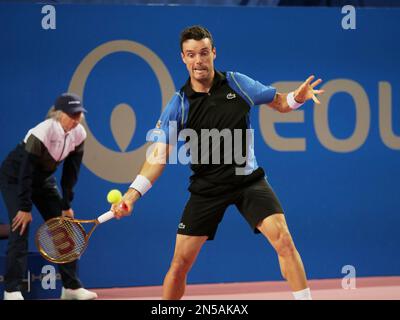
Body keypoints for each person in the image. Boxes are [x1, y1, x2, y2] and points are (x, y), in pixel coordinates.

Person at [112, 25, 324, 300]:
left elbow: (280, 102)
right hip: (207, 188)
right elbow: (157, 157)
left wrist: (297, 98)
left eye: (203, 53)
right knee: (179, 265)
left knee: (284, 239)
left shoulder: (238, 83)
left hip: (248, 181)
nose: (198, 60)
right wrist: (132, 194)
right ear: (183, 58)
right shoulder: (179, 104)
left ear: (213, 52)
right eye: (191, 55)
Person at [0, 93, 98, 300]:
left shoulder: (79, 134)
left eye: (79, 114)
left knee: (64, 227)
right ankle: (12, 289)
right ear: (58, 114)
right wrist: (24, 208)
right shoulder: (42, 132)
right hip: (15, 178)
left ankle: (71, 287)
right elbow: (25, 172)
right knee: (20, 228)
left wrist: (66, 204)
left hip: (43, 180)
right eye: (72, 114)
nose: (77, 118)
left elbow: (71, 173)